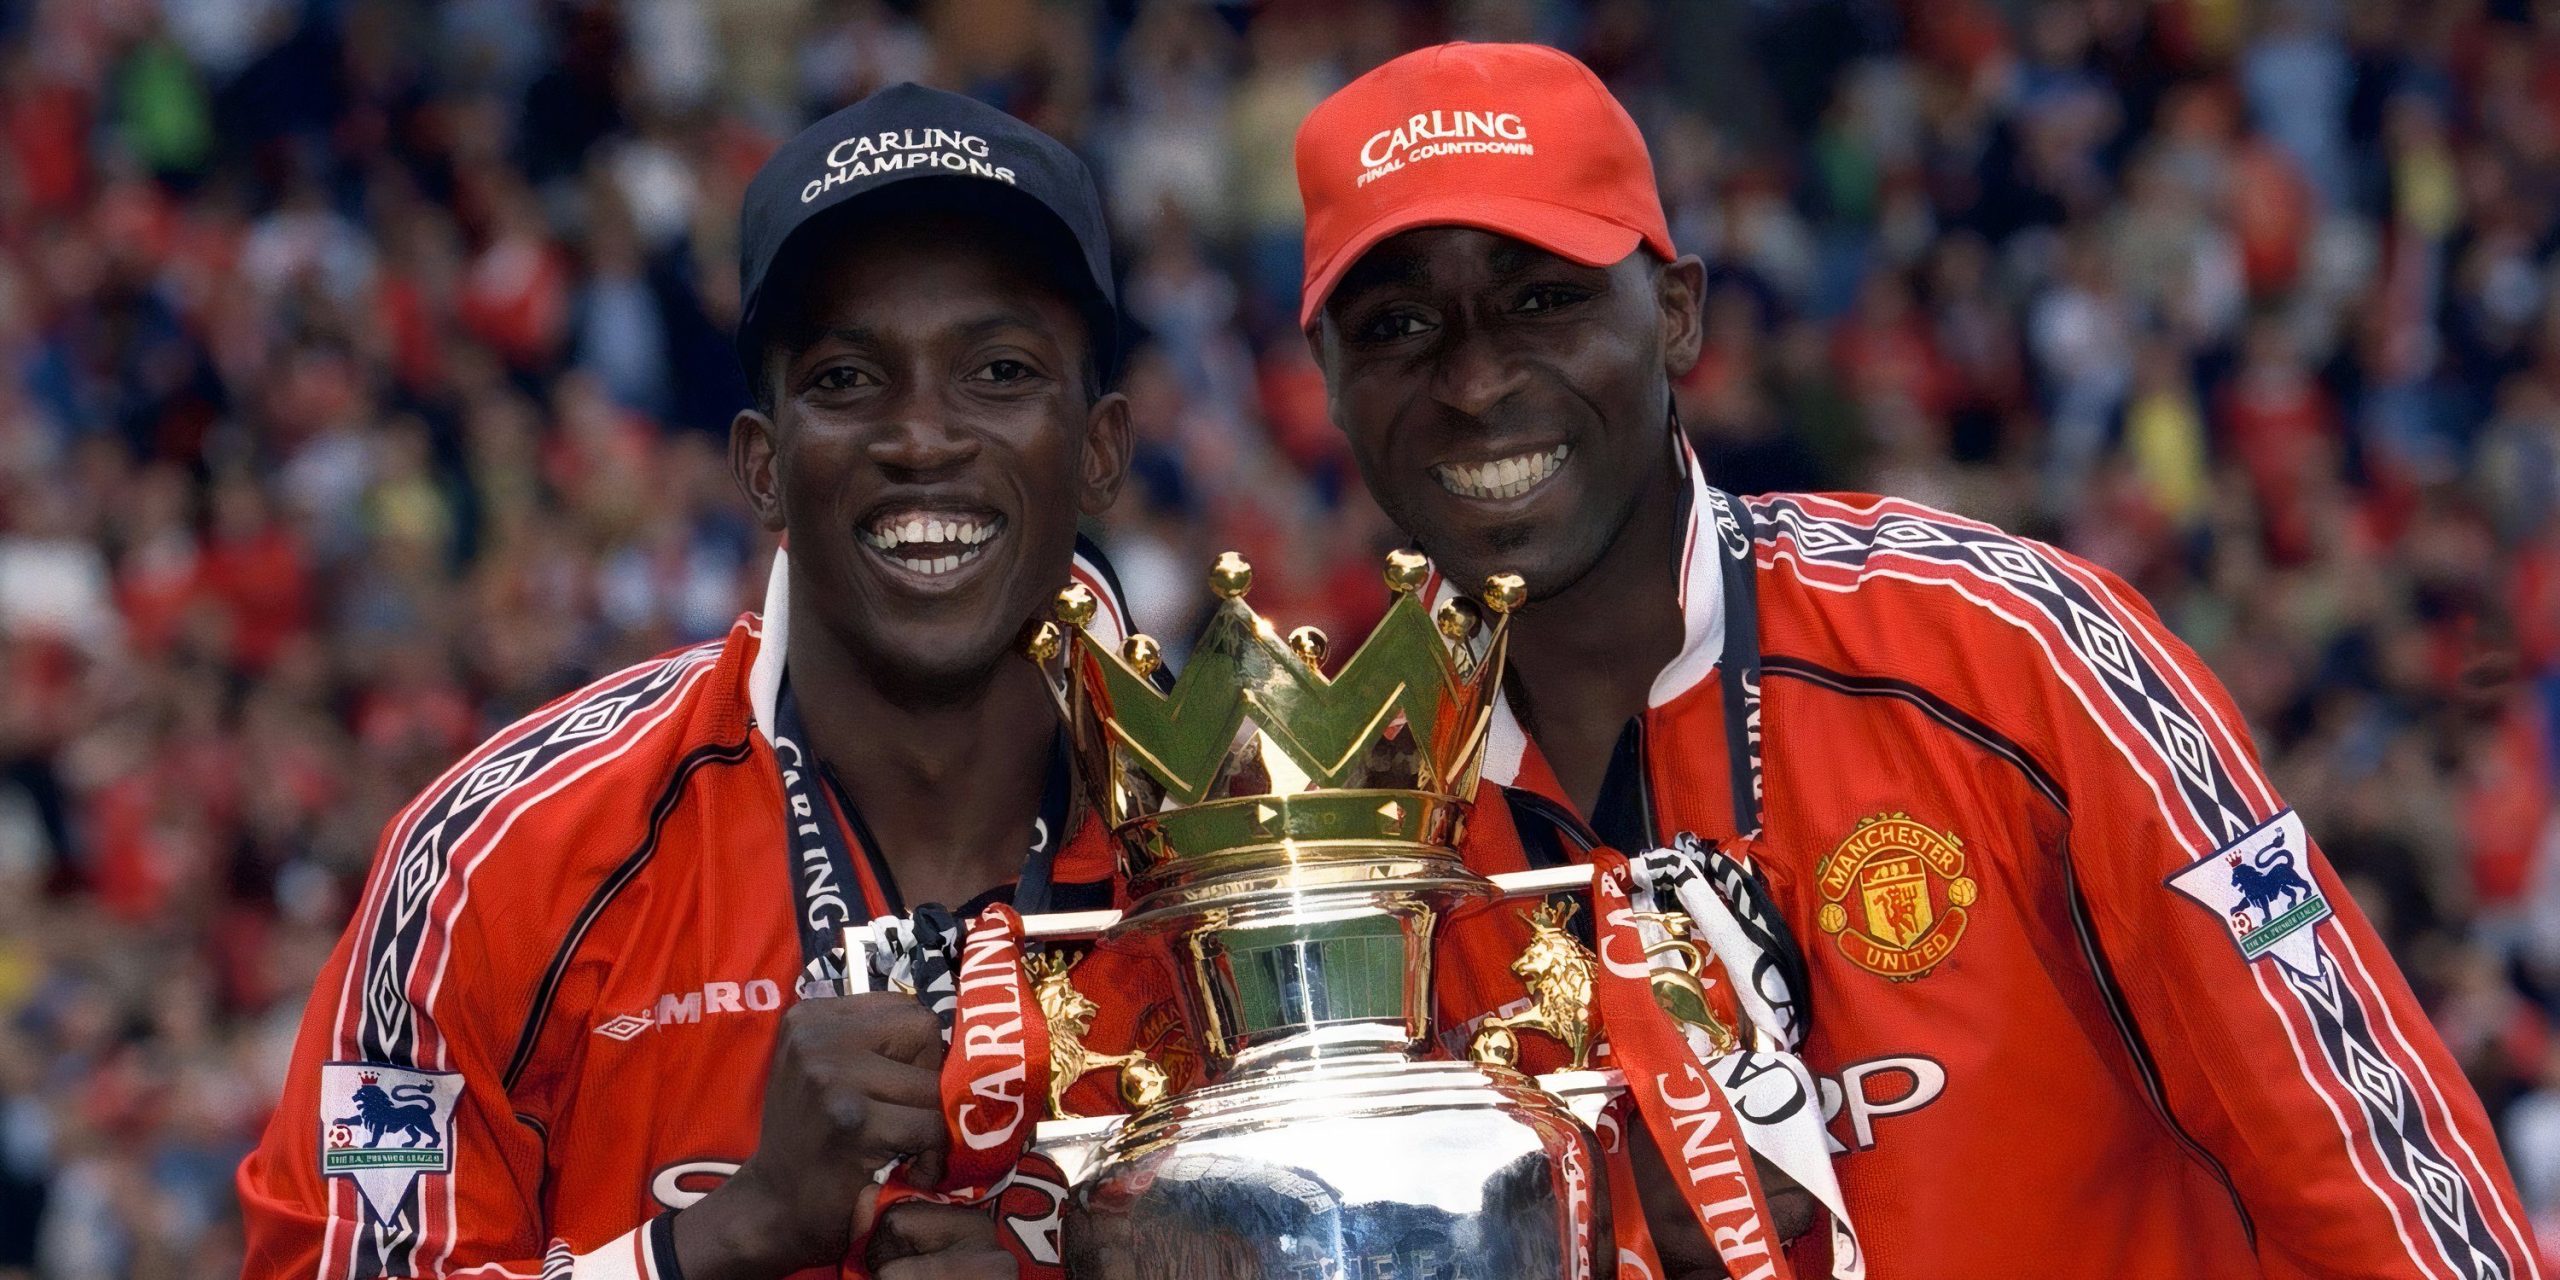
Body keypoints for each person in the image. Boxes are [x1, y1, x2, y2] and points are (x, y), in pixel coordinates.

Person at [1295, 42, 2539, 1278]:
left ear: (1675, 312)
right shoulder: (1321, 839)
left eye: (1542, 299)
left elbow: (2369, 1164)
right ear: (1332, 383)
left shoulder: (2011, 649)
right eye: (1397, 325)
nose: (1474, 379)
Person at [236, 84, 1140, 1280]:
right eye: (846, 379)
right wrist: (727, 1233)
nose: (921, 438)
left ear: (1100, 449)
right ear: (761, 467)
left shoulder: (1271, 833)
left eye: (1000, 369)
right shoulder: (492, 859)